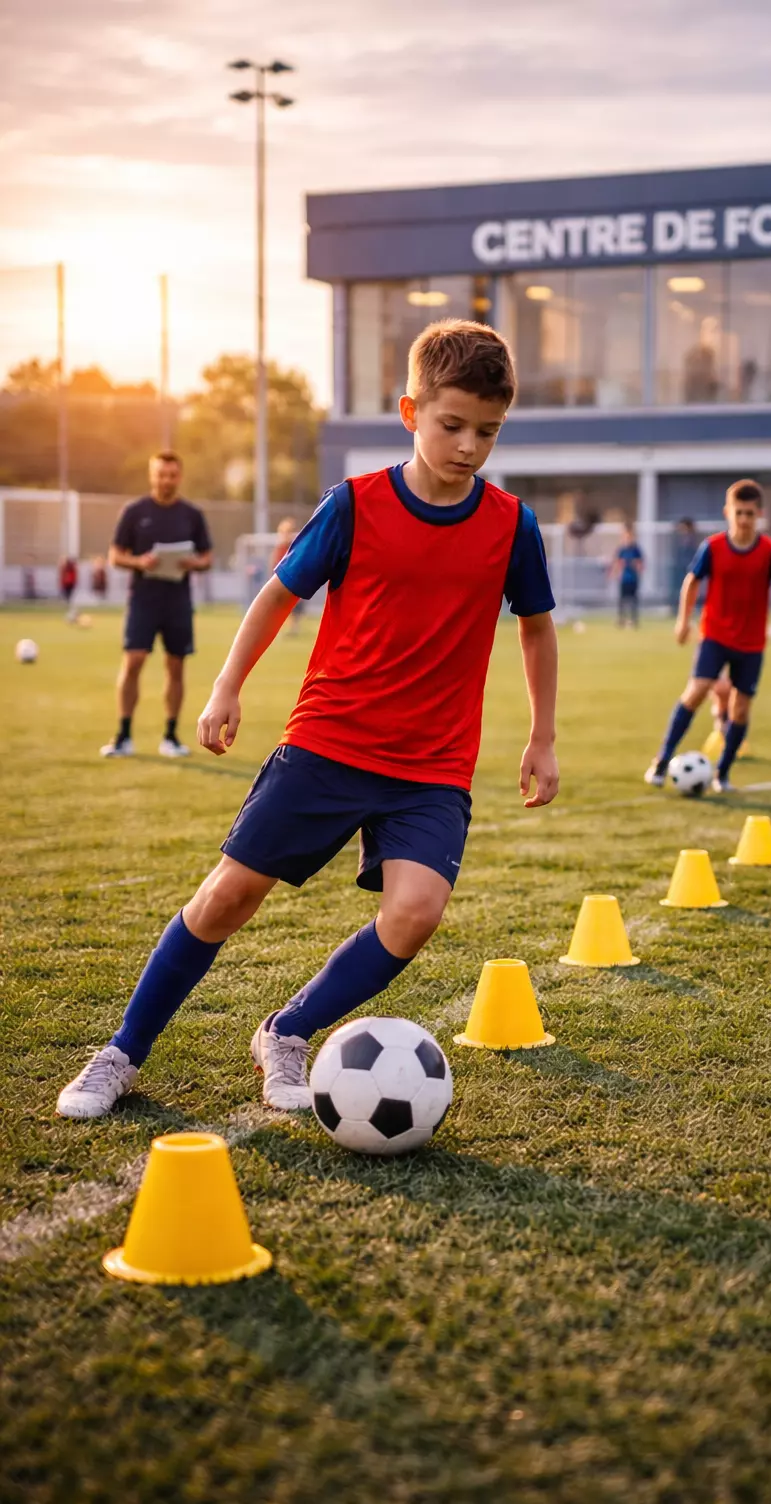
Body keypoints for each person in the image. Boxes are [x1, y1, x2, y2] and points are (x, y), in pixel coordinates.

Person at [57, 319, 559, 1120]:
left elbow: (535, 626)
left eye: (487, 432)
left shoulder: (512, 526)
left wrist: (542, 736)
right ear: (410, 411)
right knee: (229, 895)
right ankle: (122, 1049)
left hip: (431, 765)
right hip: (329, 742)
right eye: (452, 425)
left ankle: (288, 1031)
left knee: (416, 911)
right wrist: (226, 687)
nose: (469, 446)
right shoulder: (354, 505)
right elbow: (277, 596)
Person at [645, 479, 771, 794]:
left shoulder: (769, 551)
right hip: (714, 635)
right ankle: (661, 761)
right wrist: (683, 621)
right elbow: (692, 581)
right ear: (727, 512)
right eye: (738, 512)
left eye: (750, 514)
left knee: (740, 709)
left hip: (751, 643)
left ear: (760, 515)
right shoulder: (713, 547)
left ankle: (723, 774)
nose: (743, 519)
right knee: (697, 690)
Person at [100, 451, 213, 759]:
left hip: (177, 600)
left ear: (180, 476)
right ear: (152, 475)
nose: (166, 480)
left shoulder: (191, 514)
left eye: (172, 475)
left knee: (175, 666)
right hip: (143, 599)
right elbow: (115, 555)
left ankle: (171, 736)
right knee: (133, 661)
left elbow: (207, 558)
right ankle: (123, 735)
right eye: (161, 474)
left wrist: (193, 563)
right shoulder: (135, 511)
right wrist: (139, 561)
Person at [613, 524, 644, 627]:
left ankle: (633, 621)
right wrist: (616, 572)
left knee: (633, 601)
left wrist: (635, 564)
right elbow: (617, 563)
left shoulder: (636, 550)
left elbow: (641, 564)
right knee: (622, 601)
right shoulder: (621, 550)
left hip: (633, 579)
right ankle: (621, 620)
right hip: (623, 579)